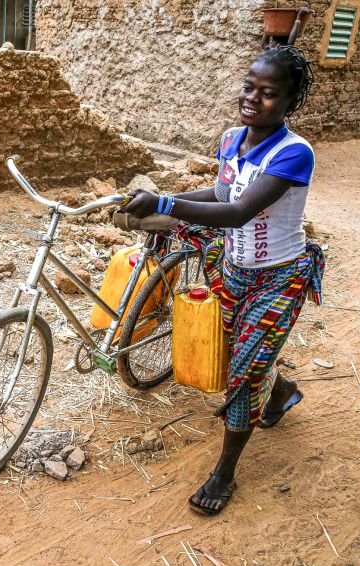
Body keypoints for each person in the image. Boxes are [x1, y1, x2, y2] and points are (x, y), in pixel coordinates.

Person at [119, 45, 325, 515]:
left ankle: (224, 473)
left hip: (278, 279)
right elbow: (220, 190)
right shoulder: (233, 138)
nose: (253, 98)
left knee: (243, 373)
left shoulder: (295, 153)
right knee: (238, 349)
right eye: (249, 87)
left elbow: (238, 211)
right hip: (233, 270)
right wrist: (162, 198)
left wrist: (164, 206)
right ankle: (284, 391)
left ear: (290, 102)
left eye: (269, 93)